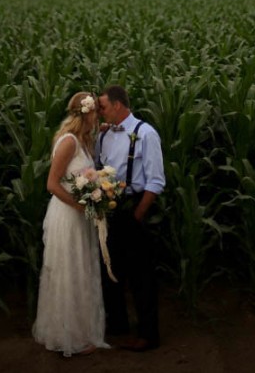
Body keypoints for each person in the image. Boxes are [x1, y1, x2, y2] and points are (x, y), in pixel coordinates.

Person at [32, 91, 110, 357]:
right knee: (69, 271)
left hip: (80, 215)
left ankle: (79, 329)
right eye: (97, 112)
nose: (99, 116)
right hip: (67, 215)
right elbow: (52, 184)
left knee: (81, 268)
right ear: (87, 113)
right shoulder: (68, 142)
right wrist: (80, 206)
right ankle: (69, 334)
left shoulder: (84, 141)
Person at [96, 84, 166, 352]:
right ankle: (118, 325)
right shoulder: (104, 135)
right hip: (107, 209)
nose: (100, 112)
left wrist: (137, 215)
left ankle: (148, 334)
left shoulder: (145, 134)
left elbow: (156, 181)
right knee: (110, 270)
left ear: (117, 105)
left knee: (141, 276)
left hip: (132, 208)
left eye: (102, 106)